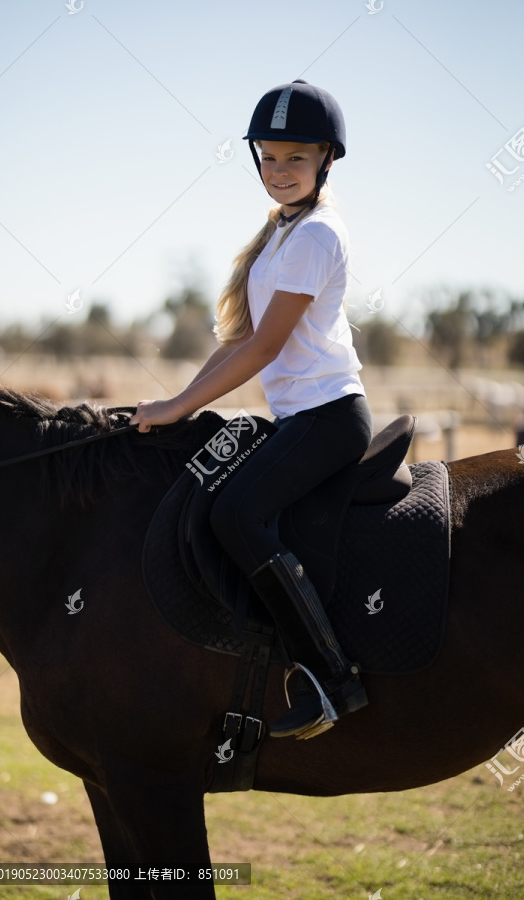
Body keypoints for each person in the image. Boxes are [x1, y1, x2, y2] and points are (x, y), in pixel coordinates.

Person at [131, 79, 373, 740]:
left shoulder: (318, 235)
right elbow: (239, 339)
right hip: (302, 417)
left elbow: (265, 349)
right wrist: (171, 405)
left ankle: (327, 676)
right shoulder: (279, 236)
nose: (278, 171)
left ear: (326, 159)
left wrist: (182, 403)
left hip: (330, 416)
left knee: (239, 511)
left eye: (295, 158)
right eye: (268, 157)